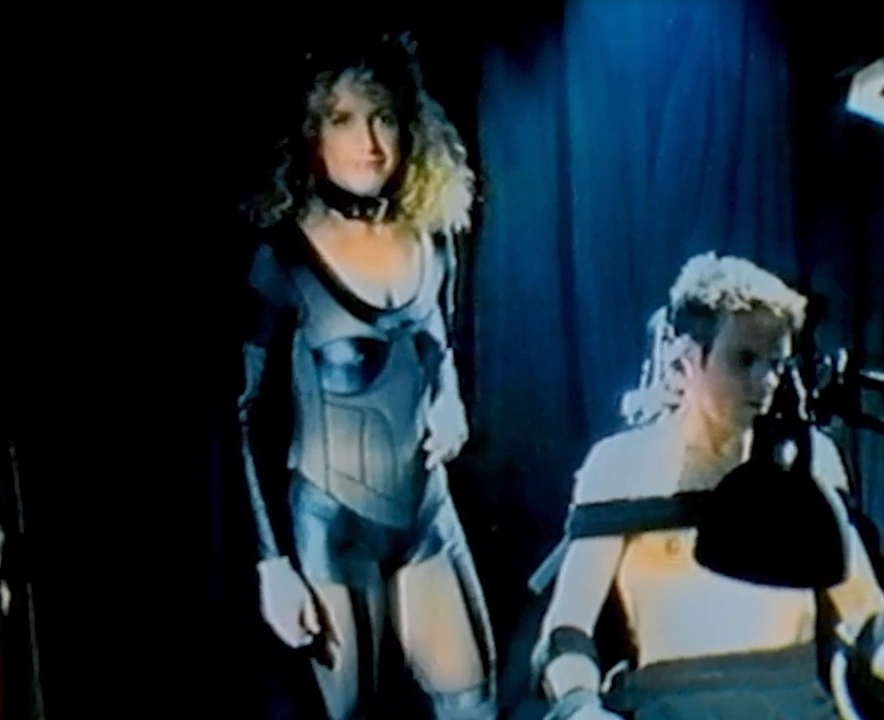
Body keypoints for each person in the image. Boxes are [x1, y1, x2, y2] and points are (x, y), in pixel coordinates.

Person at [237, 31, 497, 720]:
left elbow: (437, 345)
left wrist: (449, 401)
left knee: (475, 705)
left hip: (427, 515)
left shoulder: (432, 238)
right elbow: (241, 416)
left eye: (383, 117)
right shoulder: (284, 258)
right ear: (311, 134)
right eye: (344, 120)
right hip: (333, 528)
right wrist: (271, 565)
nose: (370, 143)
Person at [531, 252, 884, 719]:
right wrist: (580, 706)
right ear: (688, 358)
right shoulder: (621, 467)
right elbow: (568, 629)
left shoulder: (807, 459)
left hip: (797, 705)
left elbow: (864, 610)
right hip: (671, 706)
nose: (765, 381)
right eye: (744, 360)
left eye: (776, 363)